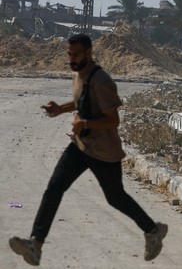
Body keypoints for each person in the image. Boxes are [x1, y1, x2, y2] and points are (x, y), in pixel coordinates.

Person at [8, 33, 168, 266]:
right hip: (80, 146)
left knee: (115, 197)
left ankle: (153, 231)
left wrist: (84, 123)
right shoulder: (78, 74)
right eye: (69, 54)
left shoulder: (102, 80)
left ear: (89, 53)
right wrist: (60, 109)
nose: (71, 59)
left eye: (76, 54)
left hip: (104, 152)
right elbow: (82, 100)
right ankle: (35, 245)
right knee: (54, 188)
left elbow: (113, 119)